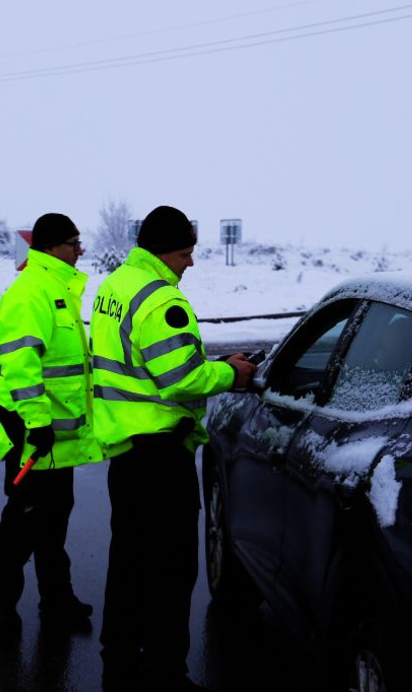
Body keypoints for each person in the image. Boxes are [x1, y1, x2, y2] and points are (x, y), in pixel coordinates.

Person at [90, 205, 256, 691]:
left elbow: (145, 361)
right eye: (185, 253)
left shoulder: (116, 286)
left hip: (125, 451)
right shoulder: (163, 301)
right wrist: (232, 374)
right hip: (162, 458)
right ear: (165, 250)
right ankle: (166, 672)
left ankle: (119, 658)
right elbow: (182, 378)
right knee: (171, 571)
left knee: (128, 564)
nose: (190, 263)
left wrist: (214, 361)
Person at [0, 212, 103, 633]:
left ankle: (58, 601)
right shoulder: (31, 292)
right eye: (75, 243)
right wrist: (35, 425)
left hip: (58, 441)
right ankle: (1, 605)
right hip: (33, 439)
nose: (80, 251)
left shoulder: (58, 289)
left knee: (53, 526)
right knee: (21, 526)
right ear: (54, 247)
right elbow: (21, 366)